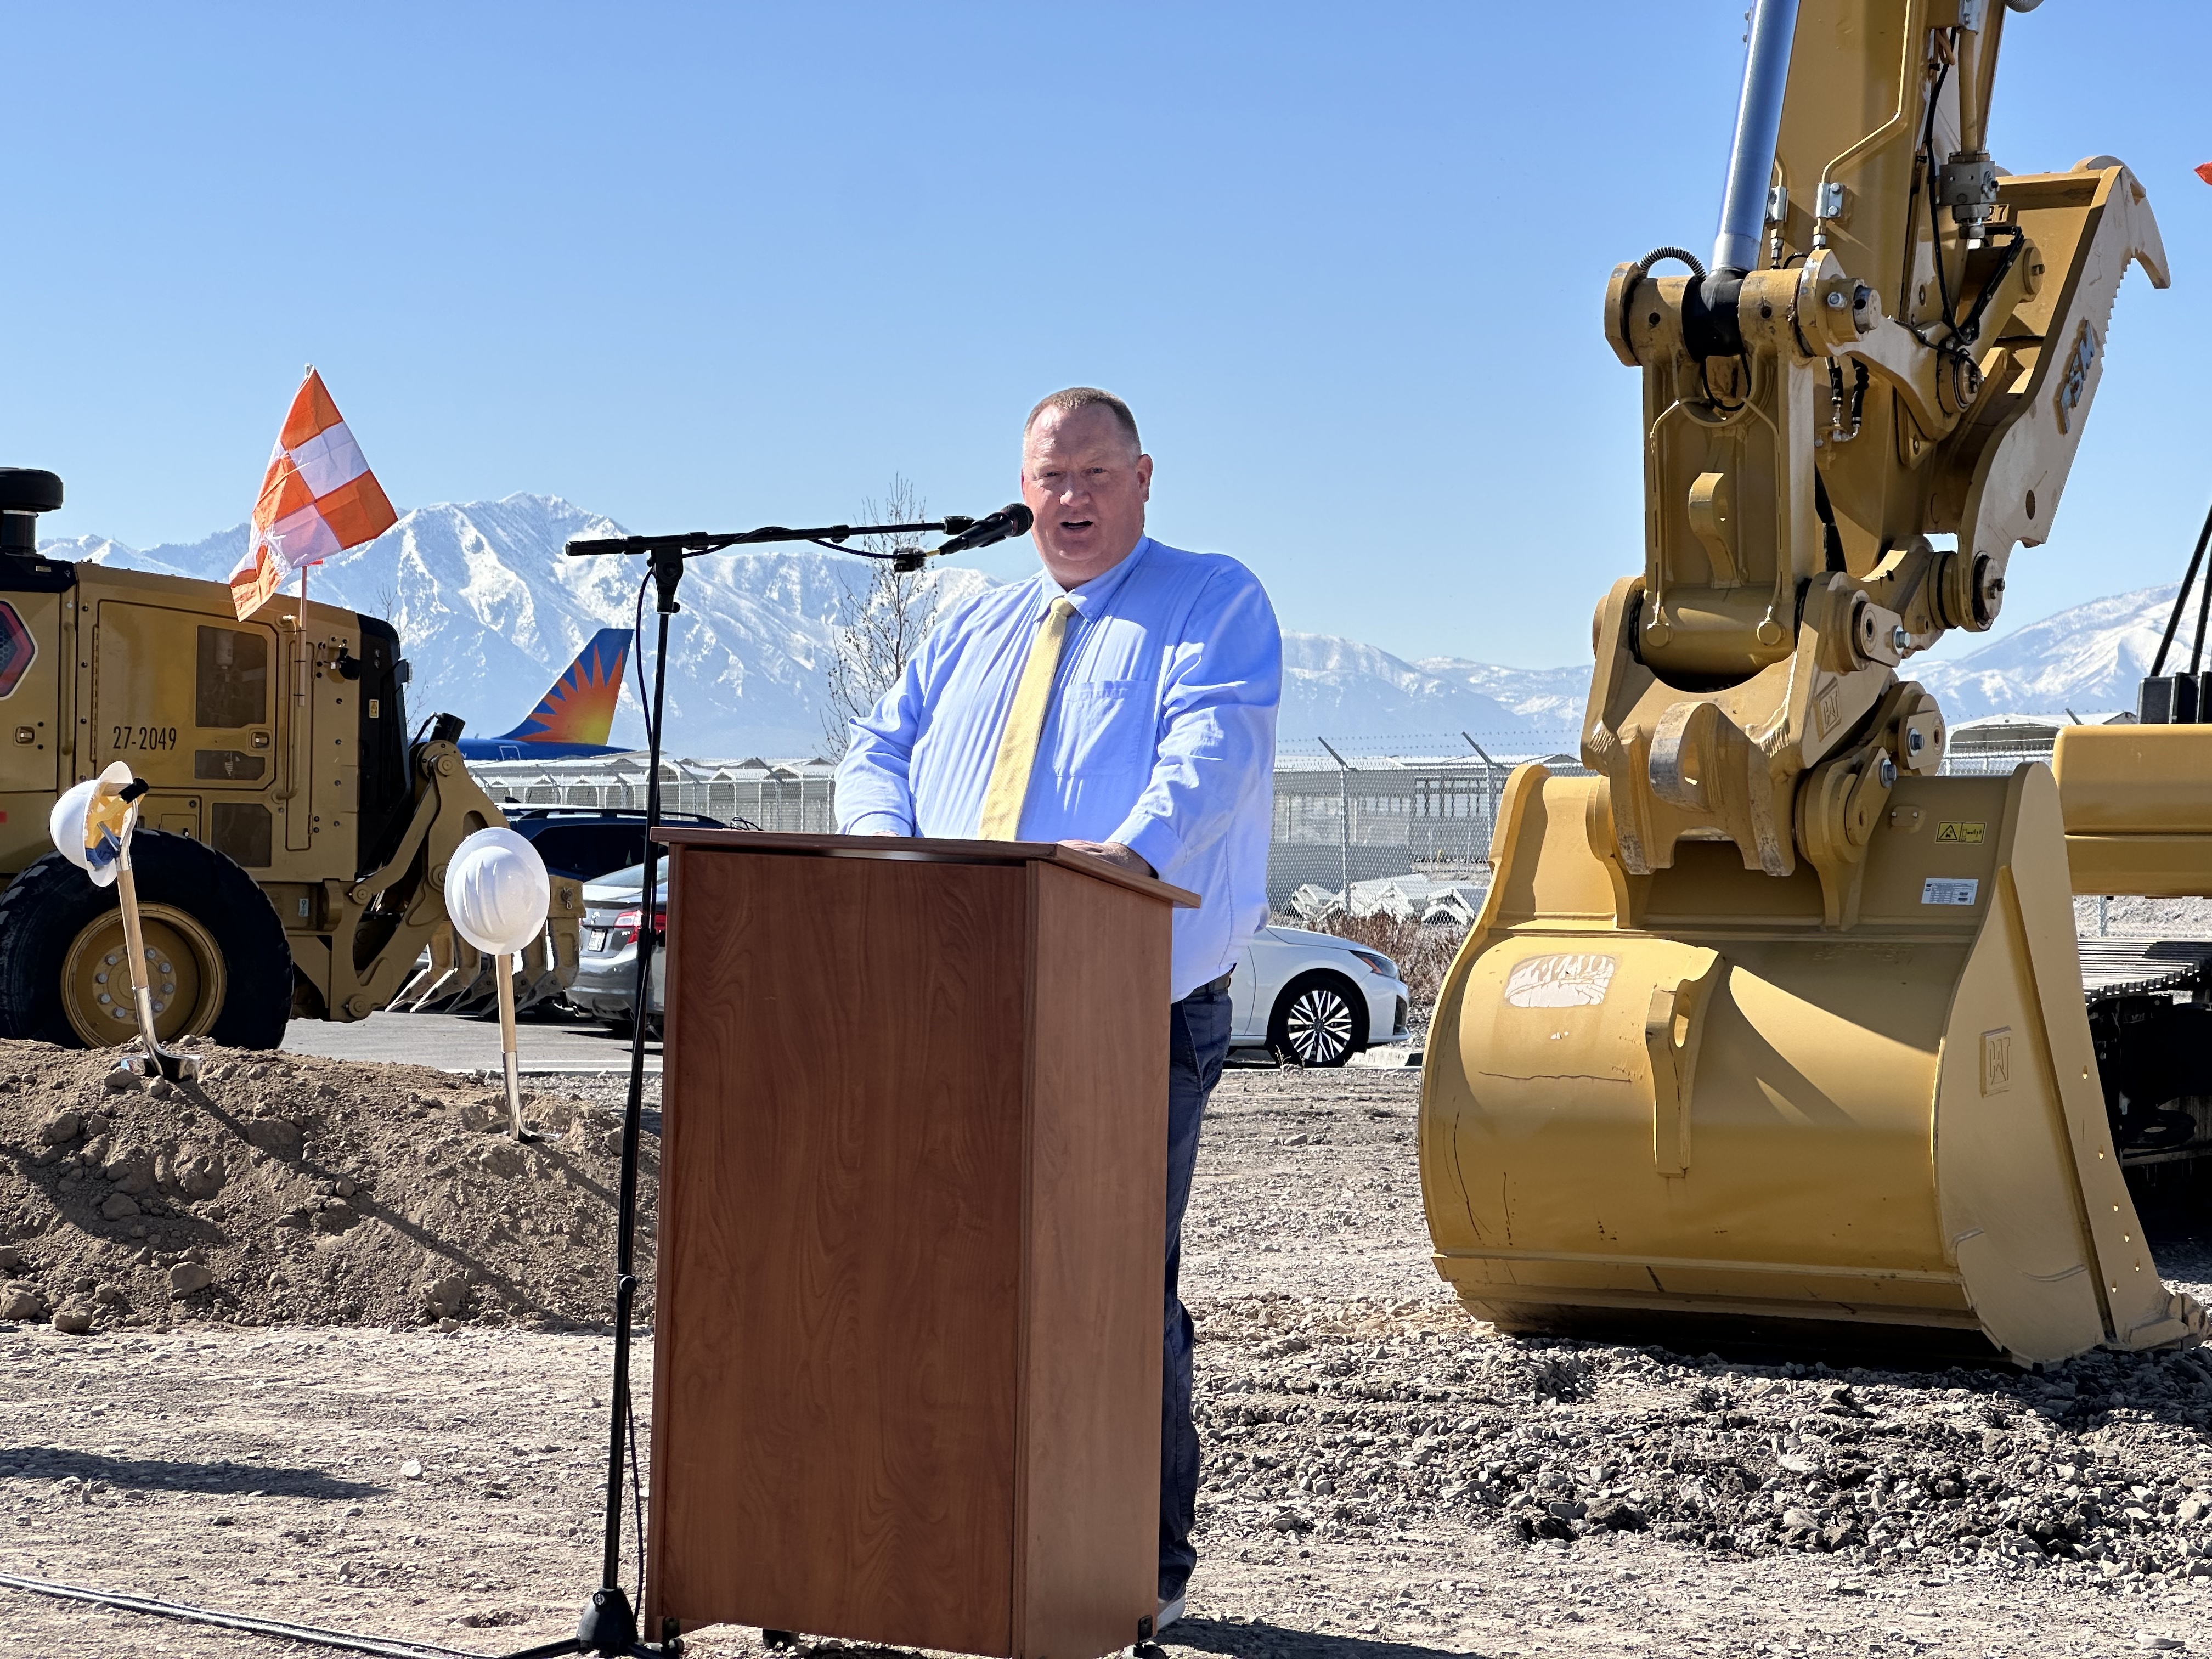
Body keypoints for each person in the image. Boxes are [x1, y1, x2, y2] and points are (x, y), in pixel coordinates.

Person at [836, 386, 1280, 1623]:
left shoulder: (1213, 601)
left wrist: (1110, 874)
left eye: (1095, 475)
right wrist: (888, 856)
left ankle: (1136, 1571)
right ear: (1021, 487)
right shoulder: (972, 620)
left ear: (1145, 479)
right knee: (947, 1269)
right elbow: (878, 747)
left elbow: (1211, 761)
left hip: (1128, 997)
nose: (1070, 499)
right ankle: (962, 1534)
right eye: (1050, 477)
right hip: (960, 994)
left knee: (1110, 1286)